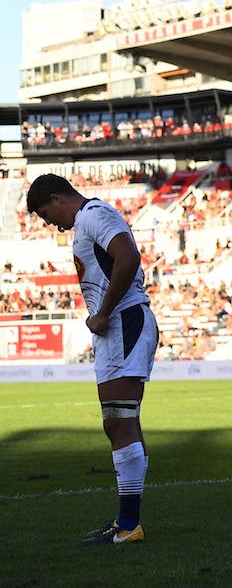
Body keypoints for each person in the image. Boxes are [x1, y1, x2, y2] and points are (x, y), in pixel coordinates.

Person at [28, 173, 159, 546]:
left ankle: (128, 525)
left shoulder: (92, 214)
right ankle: (126, 521)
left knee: (119, 423)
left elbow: (129, 257)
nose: (49, 223)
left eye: (45, 213)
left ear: (57, 197)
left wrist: (103, 312)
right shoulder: (88, 220)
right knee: (121, 423)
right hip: (119, 325)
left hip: (123, 322)